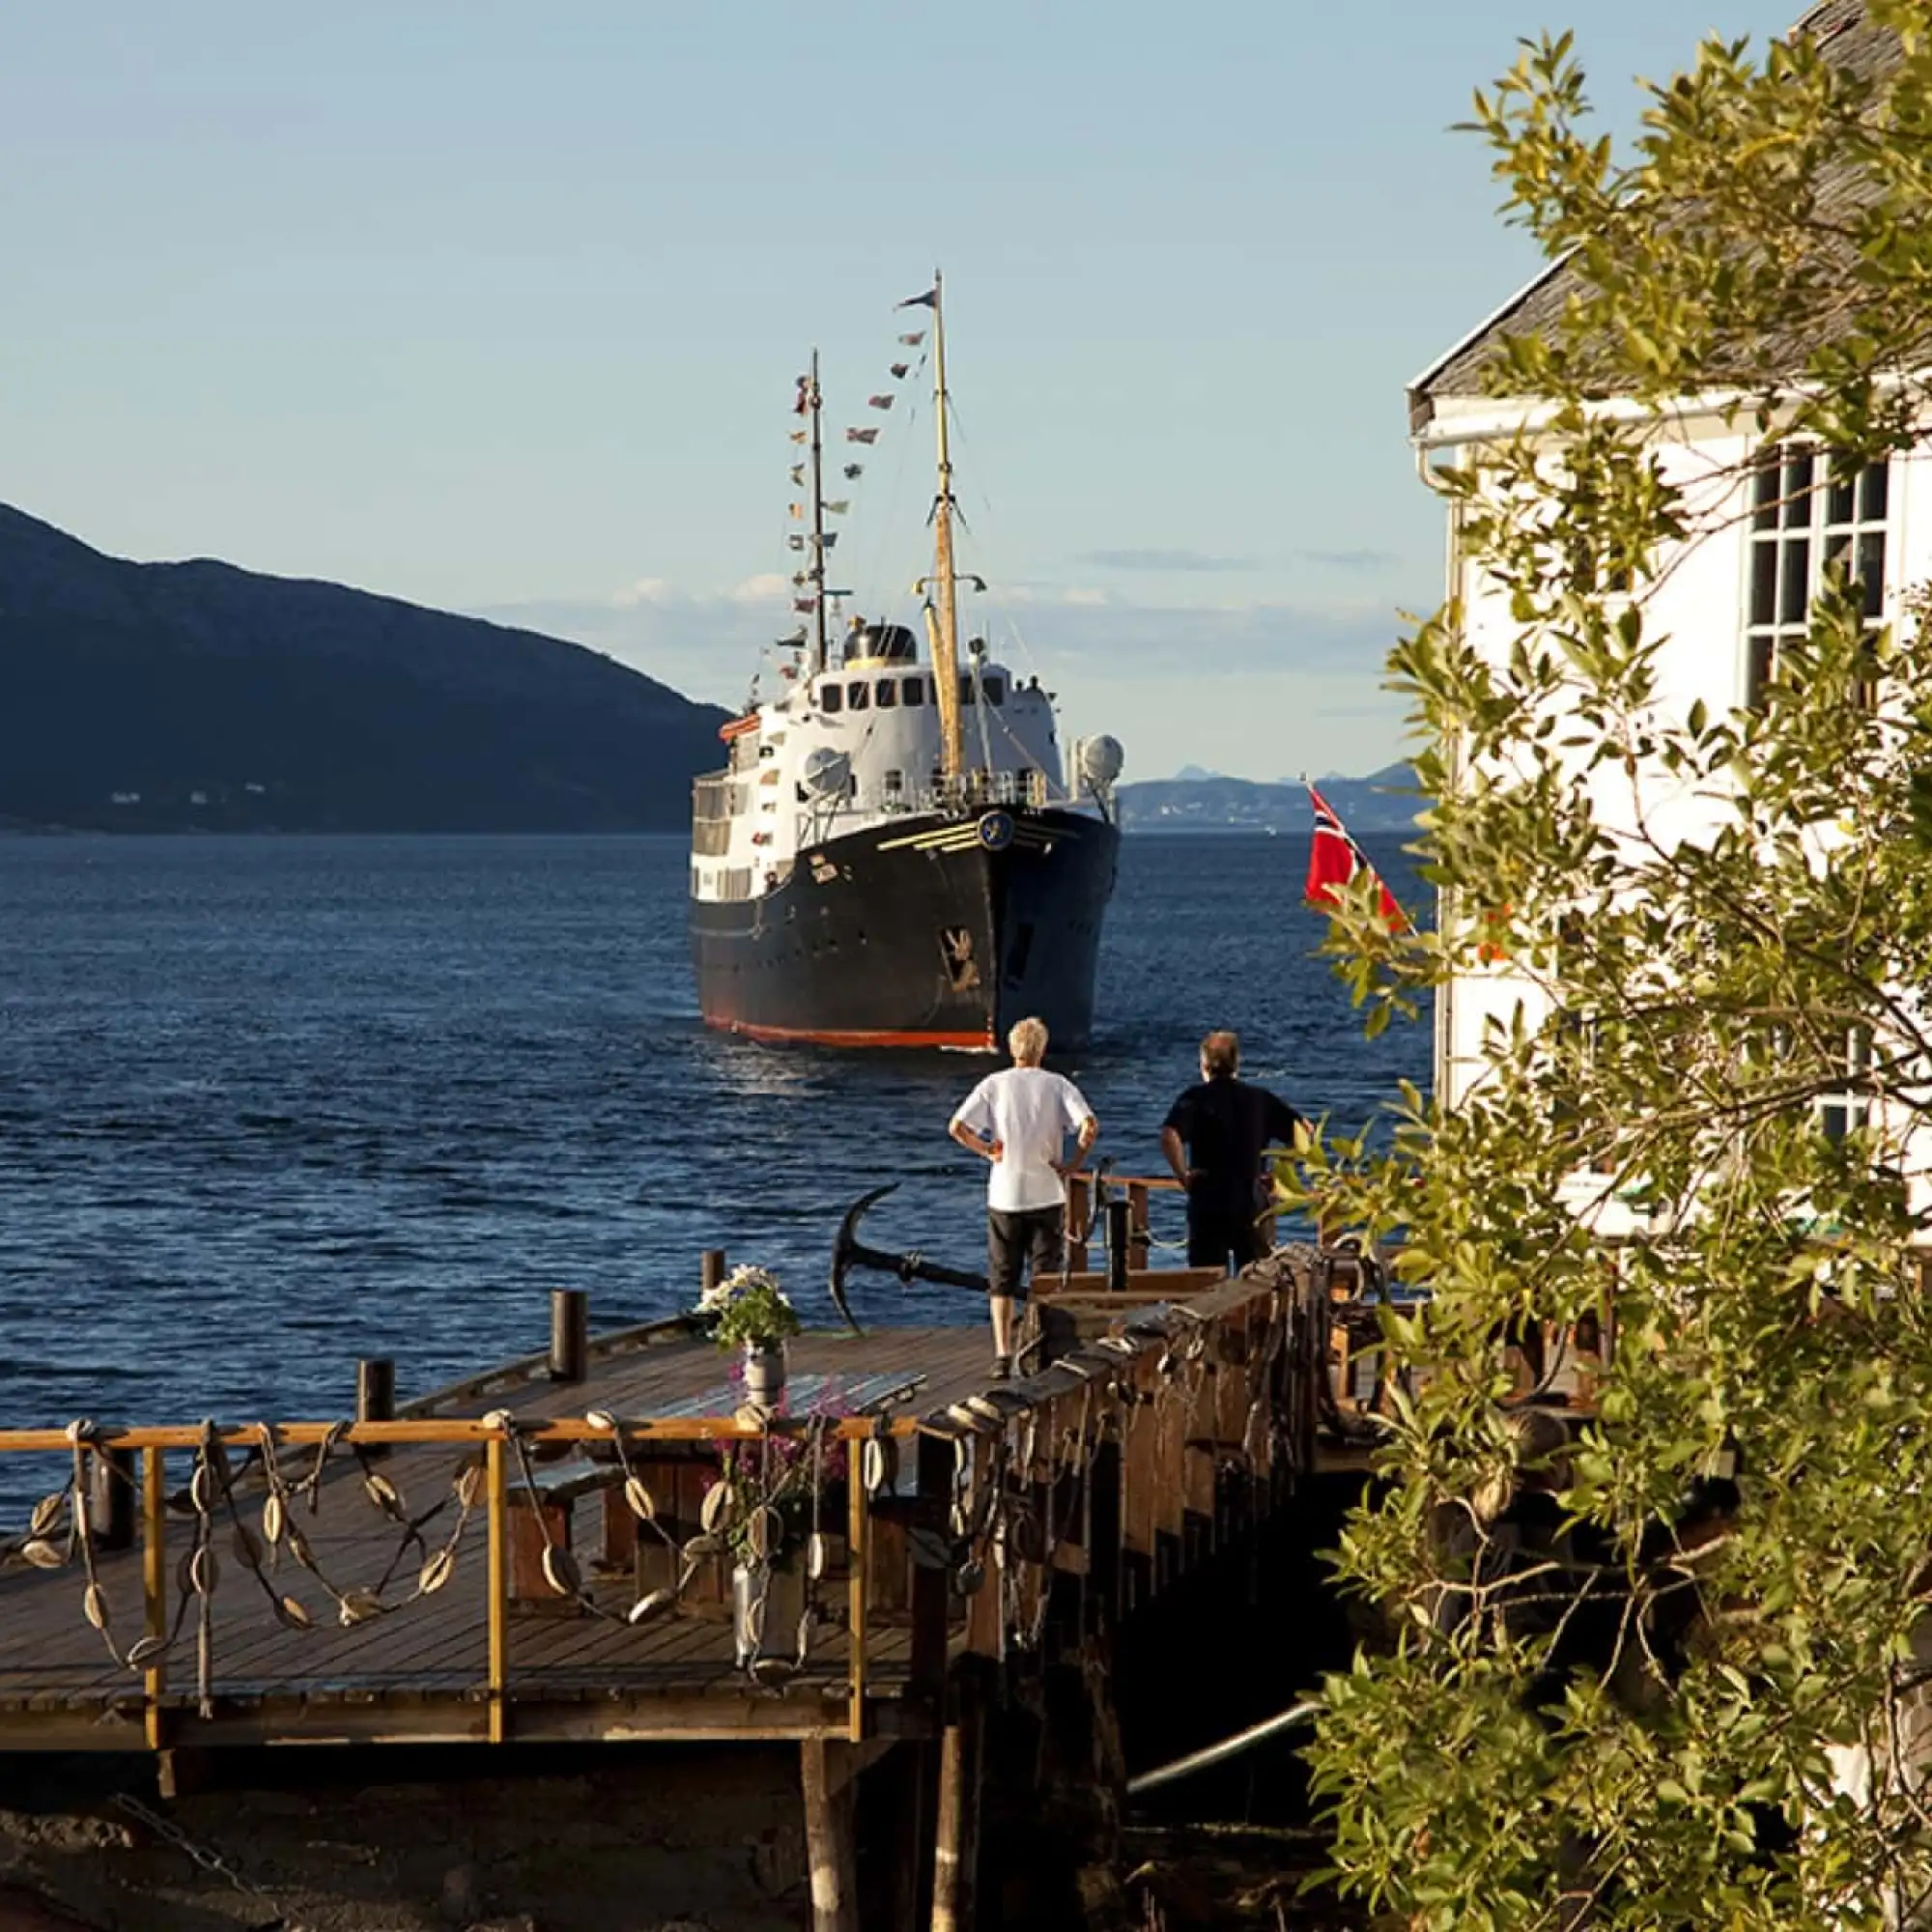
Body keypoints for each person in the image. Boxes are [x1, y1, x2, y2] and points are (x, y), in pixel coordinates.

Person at [949, 1015, 1098, 1378]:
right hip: (1047, 1191)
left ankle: (1002, 1354)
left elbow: (957, 1126)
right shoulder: (1057, 1085)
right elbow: (1089, 1126)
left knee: (1002, 1277)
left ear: (1012, 1048)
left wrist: (987, 1151)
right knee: (1044, 1275)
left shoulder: (994, 1084)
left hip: (1005, 1193)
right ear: (1042, 1049)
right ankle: (1041, 1345)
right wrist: (1074, 1163)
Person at [1161, 1031, 1306, 1273]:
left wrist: (1183, 1175)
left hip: (1208, 1199)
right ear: (1237, 1063)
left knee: (1206, 1280)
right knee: (1255, 1278)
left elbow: (1169, 1136)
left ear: (1204, 1064)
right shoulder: (1259, 1098)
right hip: (1251, 1198)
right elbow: (1304, 1131)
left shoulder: (1195, 1098)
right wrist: (1281, 1174)